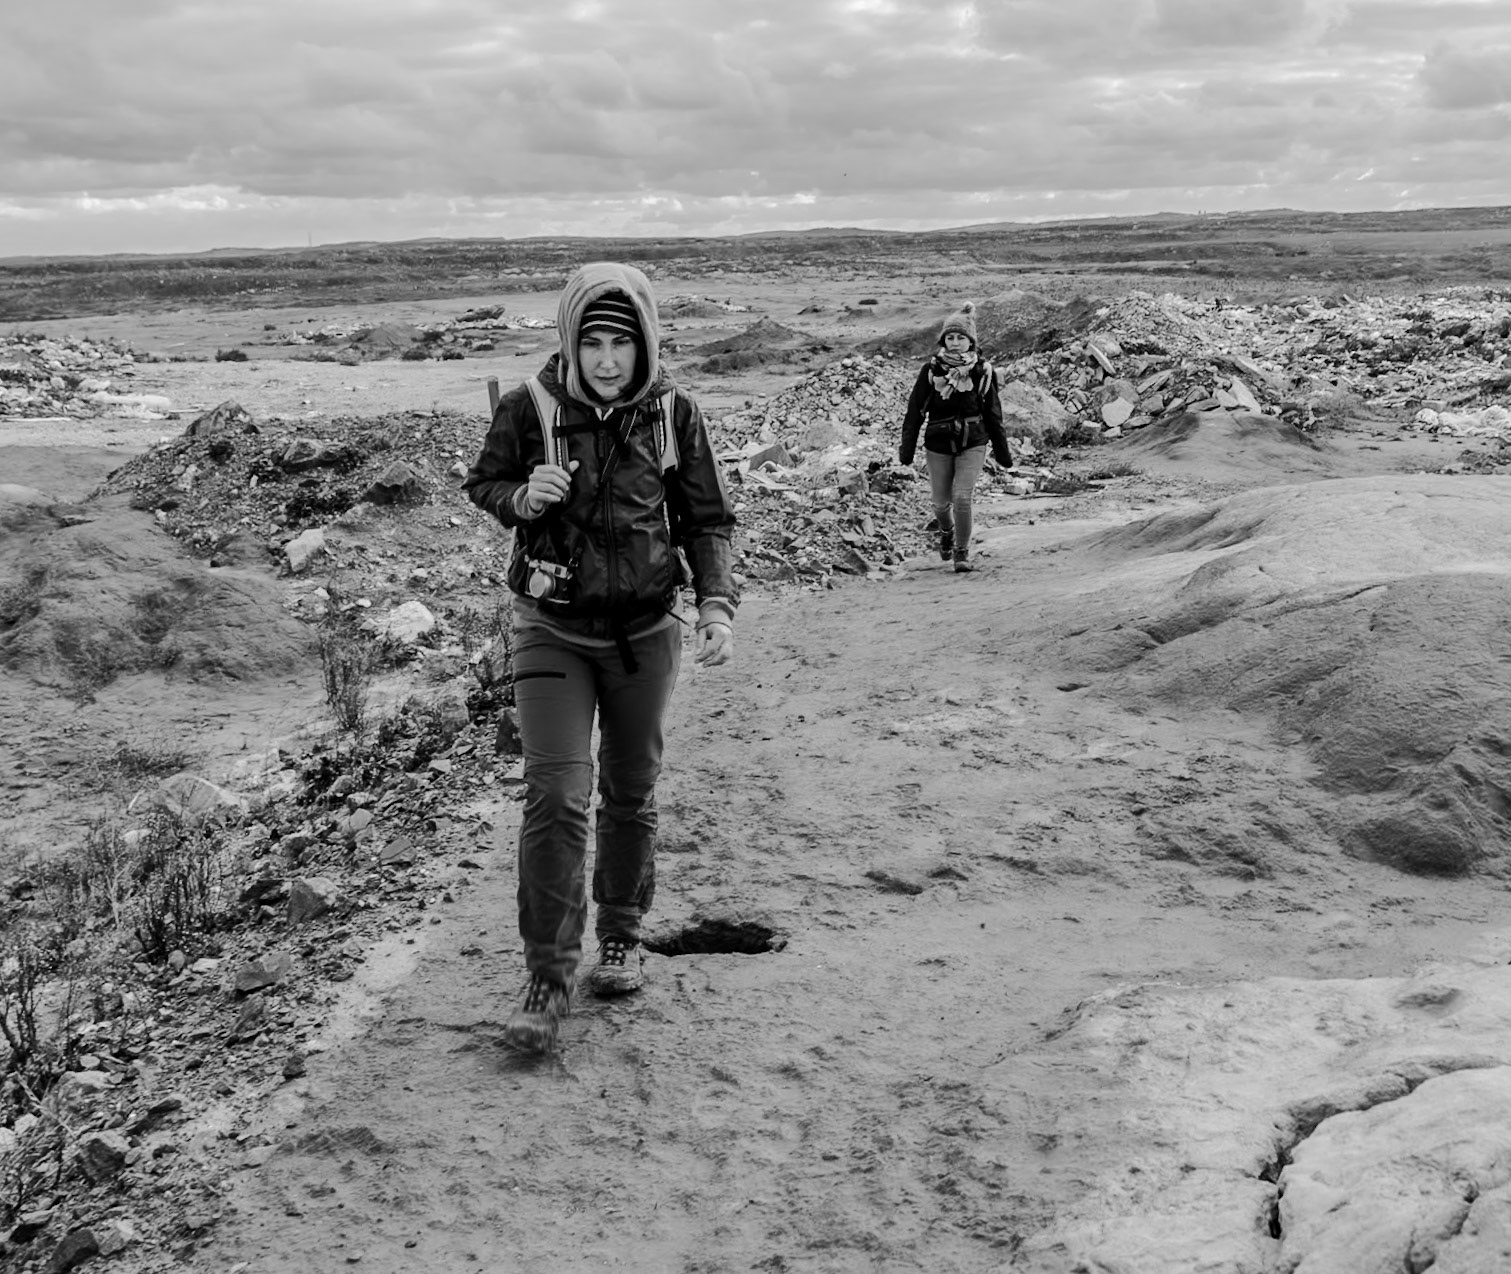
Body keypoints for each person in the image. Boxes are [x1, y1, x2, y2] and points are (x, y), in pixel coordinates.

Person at [463, 261, 737, 1053]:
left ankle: (619, 935)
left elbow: (707, 519)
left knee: (629, 789)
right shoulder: (529, 407)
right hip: (550, 628)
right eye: (593, 343)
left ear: (644, 342)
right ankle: (547, 979)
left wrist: (715, 604)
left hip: (647, 632)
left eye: (622, 342)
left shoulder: (674, 414)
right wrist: (523, 497)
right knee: (556, 796)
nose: (608, 360)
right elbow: (485, 483)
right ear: (570, 343)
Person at [898, 301, 1012, 573]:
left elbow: (993, 414)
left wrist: (1003, 452)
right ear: (943, 340)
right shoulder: (930, 371)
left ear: (970, 341)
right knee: (940, 504)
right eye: (950, 337)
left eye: (961, 337)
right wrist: (907, 449)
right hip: (938, 443)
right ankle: (946, 530)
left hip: (973, 442)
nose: (955, 342)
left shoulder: (982, 372)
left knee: (962, 497)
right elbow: (914, 412)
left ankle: (962, 552)